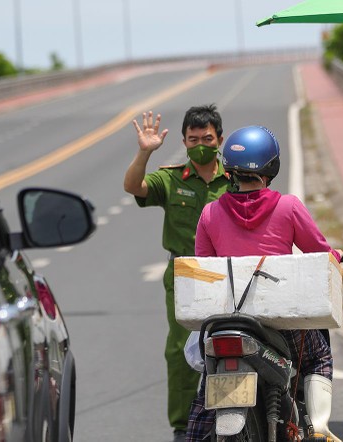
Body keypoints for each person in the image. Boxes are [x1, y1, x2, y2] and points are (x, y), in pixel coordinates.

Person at [185, 125, 343, 442]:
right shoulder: (289, 207)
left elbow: (205, 270)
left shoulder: (209, 213)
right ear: (271, 167)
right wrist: (337, 255)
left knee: (208, 380)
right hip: (282, 324)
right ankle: (319, 429)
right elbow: (321, 254)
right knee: (319, 357)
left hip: (225, 323)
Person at [123, 105, 232, 442]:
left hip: (229, 273)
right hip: (185, 273)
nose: (201, 144)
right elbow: (133, 186)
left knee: (233, 344)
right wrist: (144, 152)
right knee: (182, 349)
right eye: (193, 138)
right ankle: (185, 428)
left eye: (207, 138)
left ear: (220, 140)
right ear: (184, 142)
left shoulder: (236, 179)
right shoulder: (171, 179)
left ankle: (233, 416)